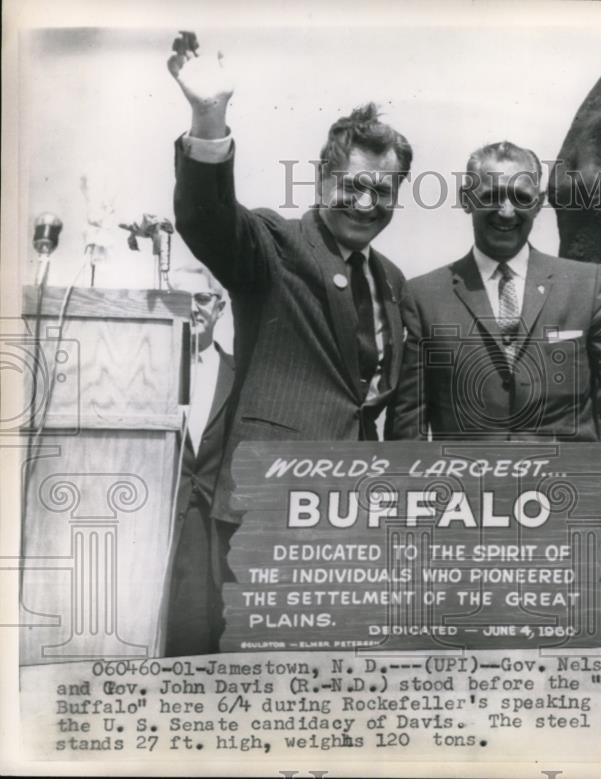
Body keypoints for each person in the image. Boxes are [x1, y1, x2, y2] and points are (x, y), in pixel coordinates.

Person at [387, 141, 601, 642]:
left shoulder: (587, 284)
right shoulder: (424, 295)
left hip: (576, 519)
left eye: (521, 196)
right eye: (492, 195)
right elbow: (407, 428)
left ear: (540, 201)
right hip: (468, 529)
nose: (506, 210)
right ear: (467, 199)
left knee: (598, 679)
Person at [167, 34, 412, 535]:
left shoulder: (391, 281)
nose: (367, 204)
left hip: (350, 513)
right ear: (323, 180)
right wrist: (208, 120)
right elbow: (207, 218)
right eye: (354, 186)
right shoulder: (276, 245)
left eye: (382, 191)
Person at [164, 264, 234, 656]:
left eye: (203, 298)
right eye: (181, 298)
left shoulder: (240, 374)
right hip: (159, 529)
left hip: (216, 532)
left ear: (219, 307)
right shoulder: (147, 369)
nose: (193, 307)